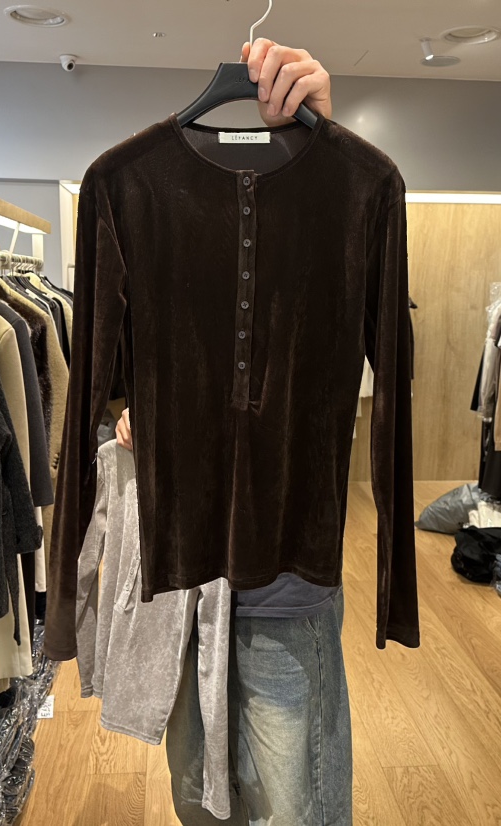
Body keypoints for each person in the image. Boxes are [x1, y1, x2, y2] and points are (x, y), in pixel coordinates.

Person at [117, 45, 348, 823]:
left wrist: (324, 144)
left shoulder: (337, 209)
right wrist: (127, 414)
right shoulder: (143, 205)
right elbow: (119, 371)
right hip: (185, 583)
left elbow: (343, 347)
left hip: (284, 591)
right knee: (199, 797)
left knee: (296, 804)